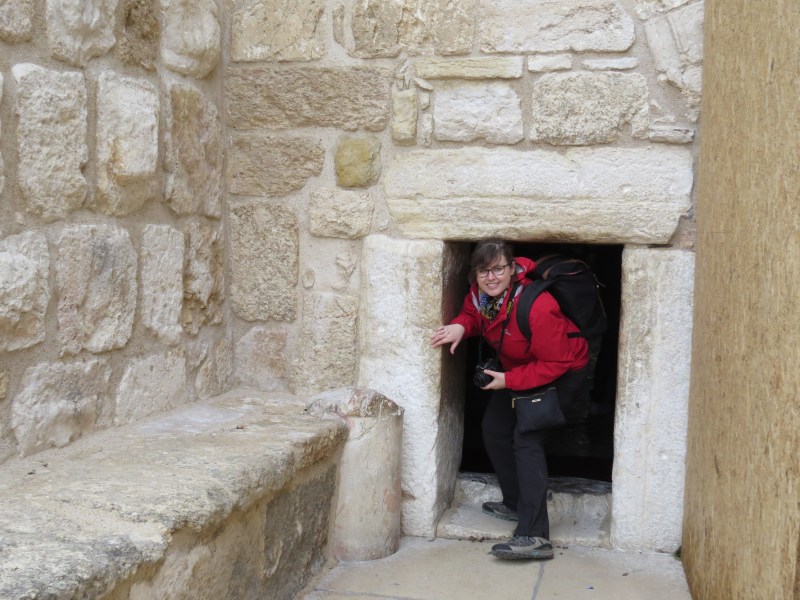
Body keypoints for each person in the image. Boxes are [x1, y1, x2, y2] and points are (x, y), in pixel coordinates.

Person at [430, 239, 591, 560]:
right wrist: (462, 327)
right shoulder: (480, 296)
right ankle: (516, 503)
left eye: (499, 269)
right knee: (494, 429)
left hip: (561, 373)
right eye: (483, 271)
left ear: (513, 268)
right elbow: (472, 314)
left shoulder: (537, 305)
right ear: (474, 274)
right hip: (517, 369)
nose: (492, 277)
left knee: (526, 440)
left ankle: (534, 536)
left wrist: (509, 381)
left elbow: (556, 362)